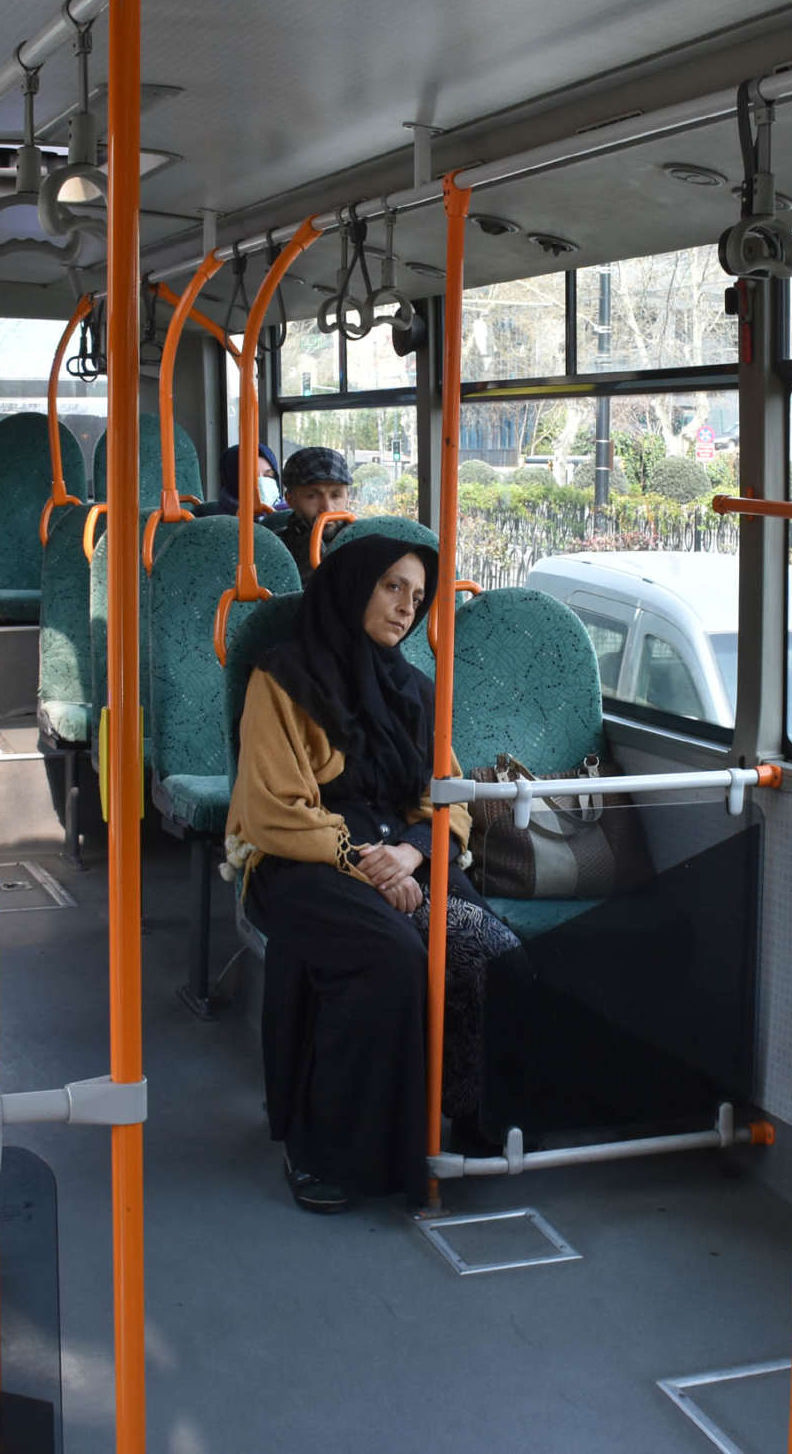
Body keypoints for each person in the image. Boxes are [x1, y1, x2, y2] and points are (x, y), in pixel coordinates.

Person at [226, 534, 515, 1213]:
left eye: (417, 598)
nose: (404, 609)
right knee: (388, 957)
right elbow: (273, 808)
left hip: (402, 853)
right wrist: (365, 863)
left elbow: (447, 798)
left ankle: (468, 1121)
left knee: (485, 948)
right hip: (302, 859)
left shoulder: (415, 689)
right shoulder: (282, 679)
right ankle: (324, 1147)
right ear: (354, 586)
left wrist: (413, 853)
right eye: (391, 588)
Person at [273, 444, 353, 575]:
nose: (327, 508)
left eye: (336, 495)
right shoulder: (274, 549)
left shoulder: (365, 542)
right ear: (291, 500)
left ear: (347, 498)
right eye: (312, 496)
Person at [192, 441, 282, 518]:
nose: (262, 483)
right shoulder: (211, 521)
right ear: (233, 480)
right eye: (252, 477)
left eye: (269, 476)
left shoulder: (286, 516)